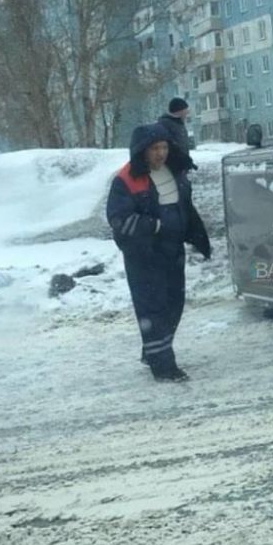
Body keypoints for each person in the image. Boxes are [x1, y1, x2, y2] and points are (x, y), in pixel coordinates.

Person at [107, 123, 211, 381]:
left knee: (173, 305)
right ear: (142, 150)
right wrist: (152, 226)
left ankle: (153, 352)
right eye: (155, 148)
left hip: (172, 251)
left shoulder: (174, 171)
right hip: (143, 255)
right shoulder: (126, 179)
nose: (160, 153)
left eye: (164, 147)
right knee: (152, 309)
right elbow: (118, 218)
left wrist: (197, 235)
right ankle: (164, 368)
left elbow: (185, 207)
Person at [157, 97, 196, 172]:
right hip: (171, 168)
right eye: (186, 110)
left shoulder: (178, 124)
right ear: (179, 111)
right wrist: (182, 159)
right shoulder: (166, 124)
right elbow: (169, 146)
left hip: (180, 167)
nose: (187, 113)